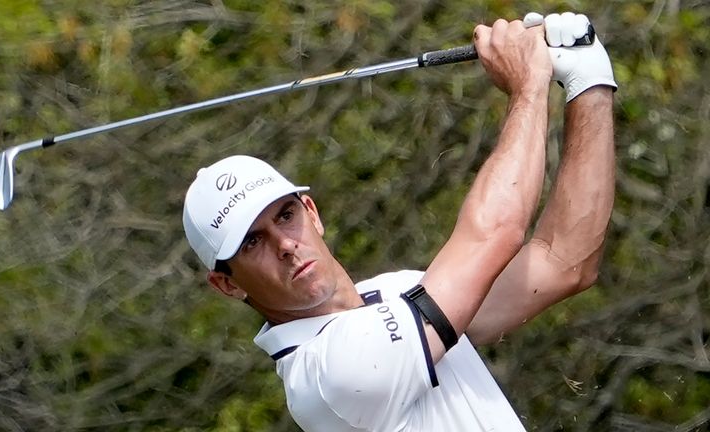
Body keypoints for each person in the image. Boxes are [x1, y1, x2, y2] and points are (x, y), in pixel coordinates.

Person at [182, 11, 616, 432]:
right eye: (253, 242)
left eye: (286, 215)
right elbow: (497, 232)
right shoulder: (328, 377)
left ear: (312, 213)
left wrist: (588, 81)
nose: (285, 245)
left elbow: (564, 262)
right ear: (228, 284)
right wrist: (528, 85)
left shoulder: (395, 292)